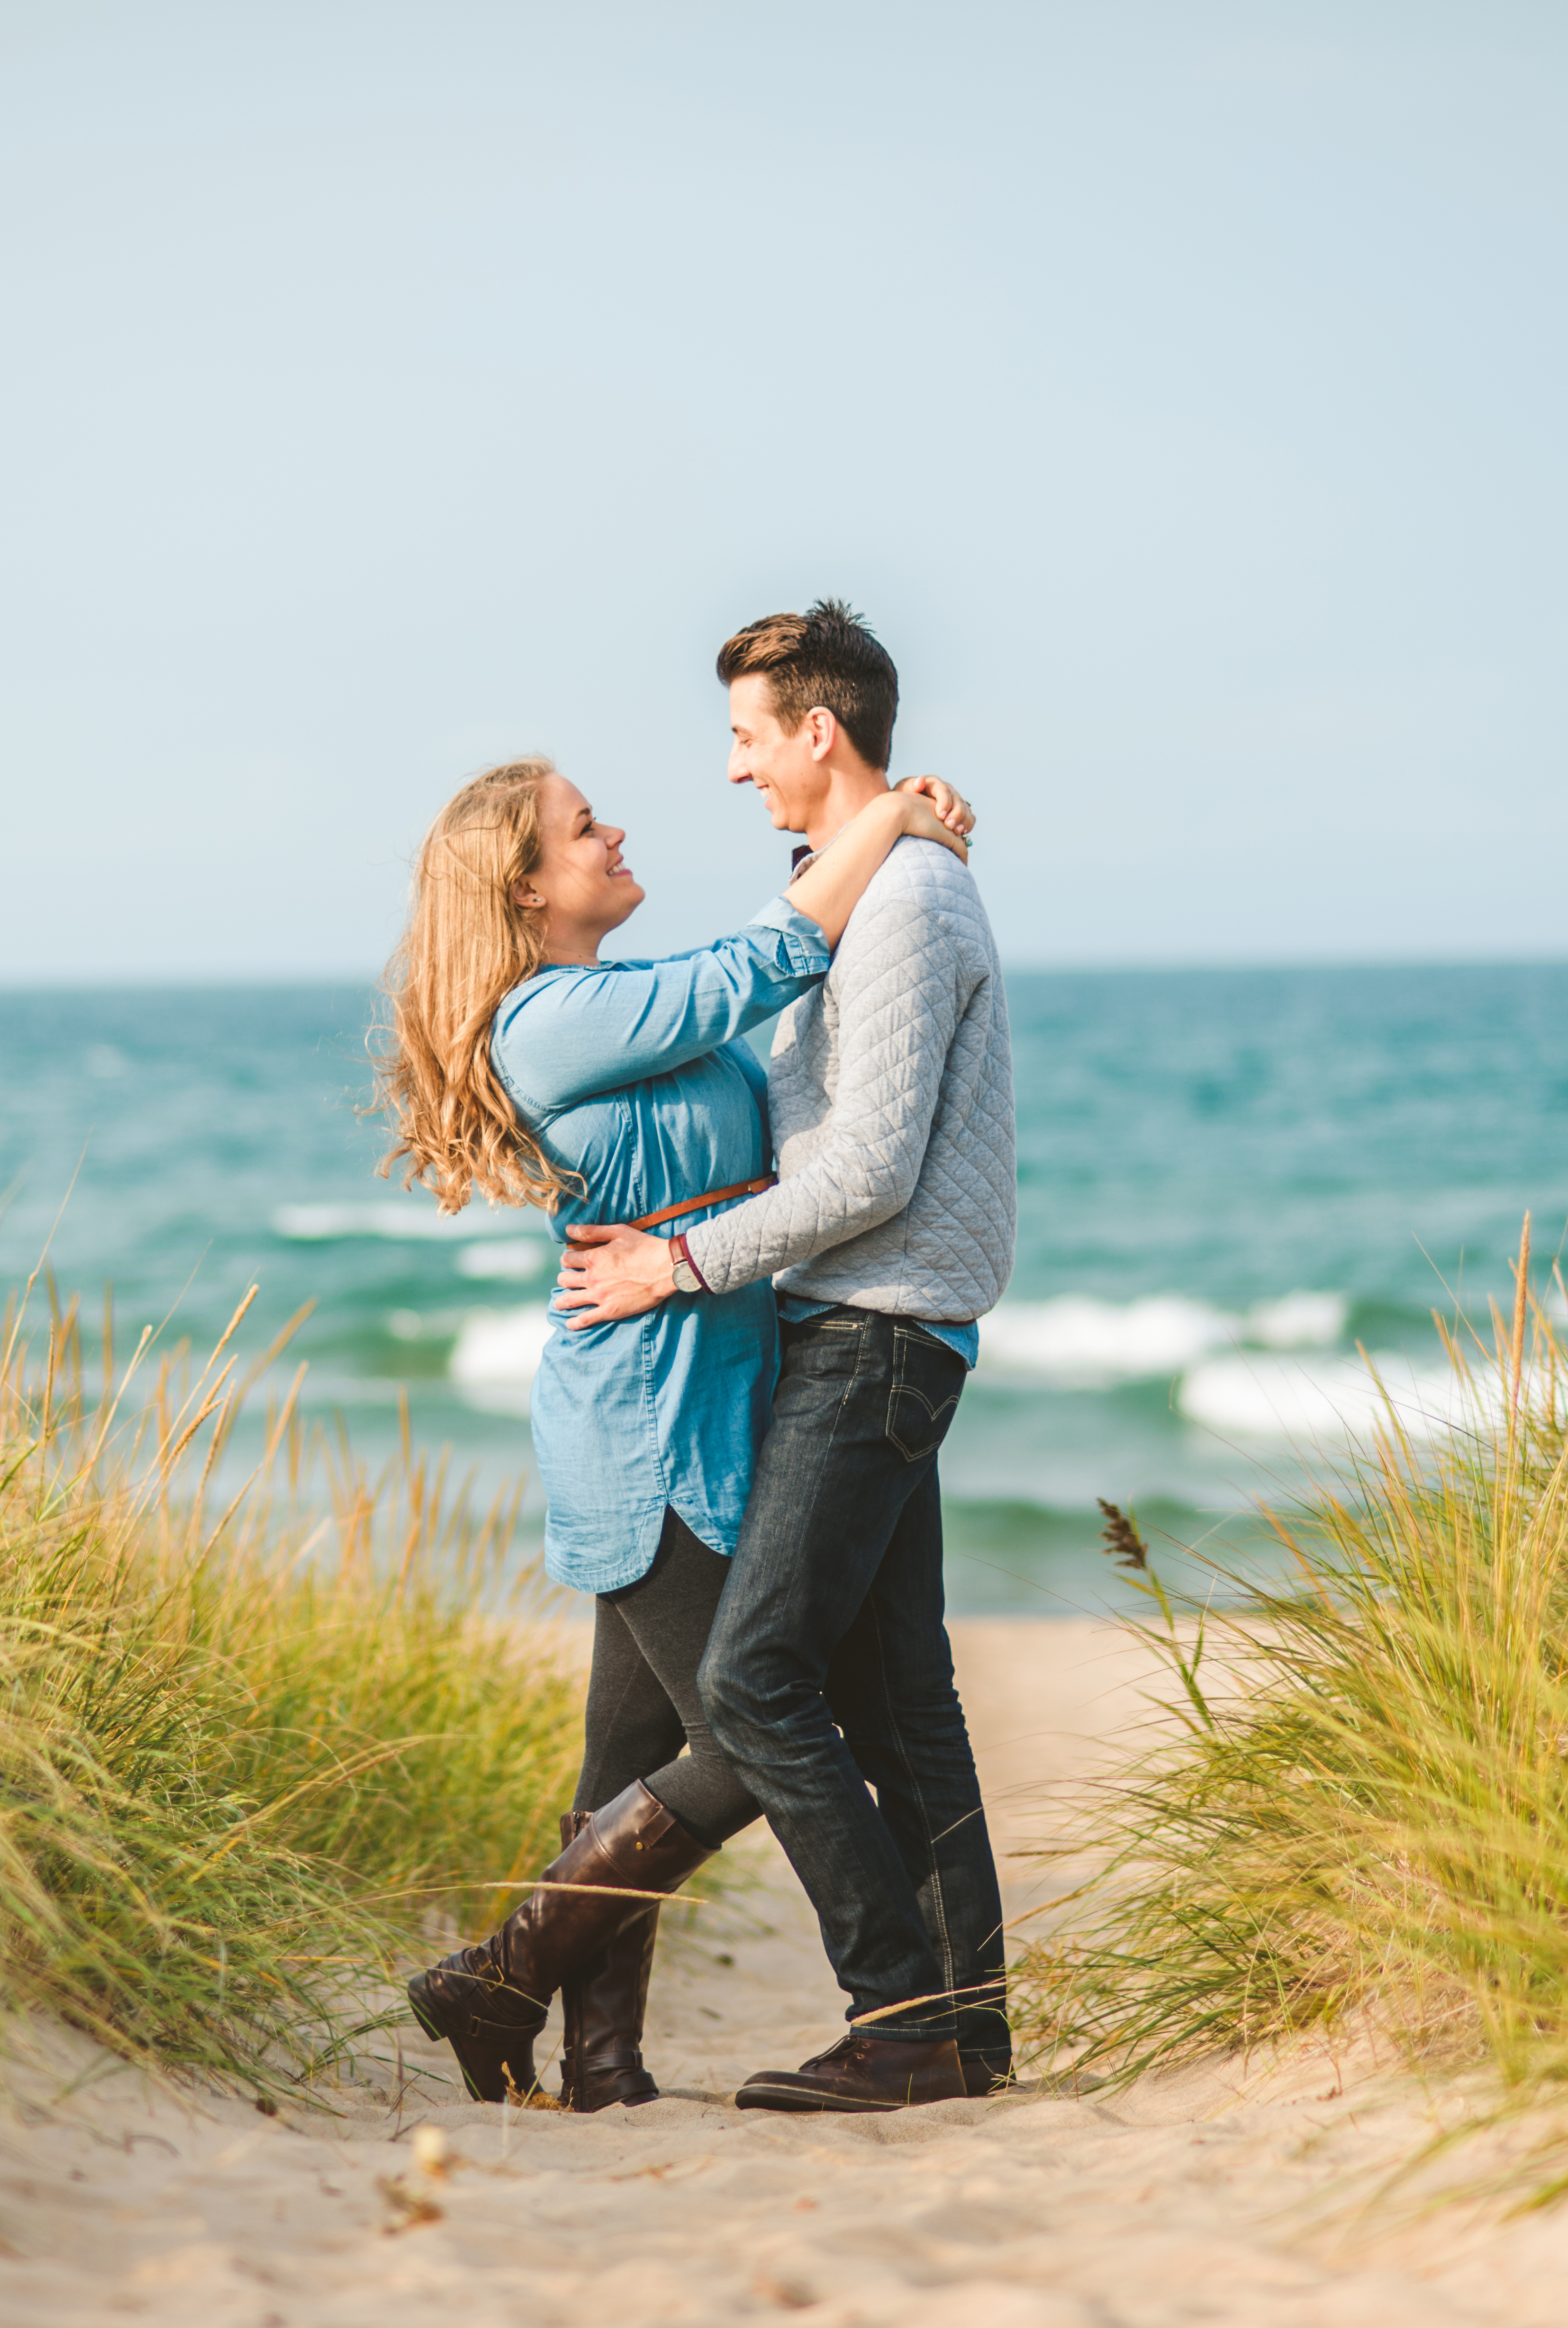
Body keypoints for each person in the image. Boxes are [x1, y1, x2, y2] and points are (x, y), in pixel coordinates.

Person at [376, 747, 973, 2109]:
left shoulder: (619, 1006)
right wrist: (888, 811)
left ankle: (595, 2065)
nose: (615, 832)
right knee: (761, 1732)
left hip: (714, 1404)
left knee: (625, 1761)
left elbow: (769, 993)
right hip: (639, 1426)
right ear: (525, 889)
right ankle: (523, 1977)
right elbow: (761, 964)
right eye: (585, 829)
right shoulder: (549, 1021)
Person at [557, 600, 1019, 2113]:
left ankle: (897, 2019)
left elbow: (871, 1170)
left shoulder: (909, 903)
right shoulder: (857, 879)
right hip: (857, 1326)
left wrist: (672, 1264)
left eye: (752, 738)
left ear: (819, 732)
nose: (739, 770)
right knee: (904, 1709)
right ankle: (964, 2037)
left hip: (871, 1332)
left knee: (756, 1682)